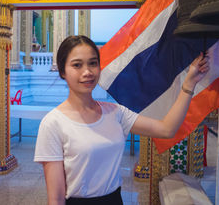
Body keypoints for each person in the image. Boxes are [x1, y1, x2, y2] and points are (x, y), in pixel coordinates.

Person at [34, 35, 210, 205]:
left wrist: (189, 85)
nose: (87, 72)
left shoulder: (116, 113)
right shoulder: (53, 123)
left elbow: (166, 129)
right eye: (77, 65)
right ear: (63, 71)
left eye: (93, 63)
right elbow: (56, 199)